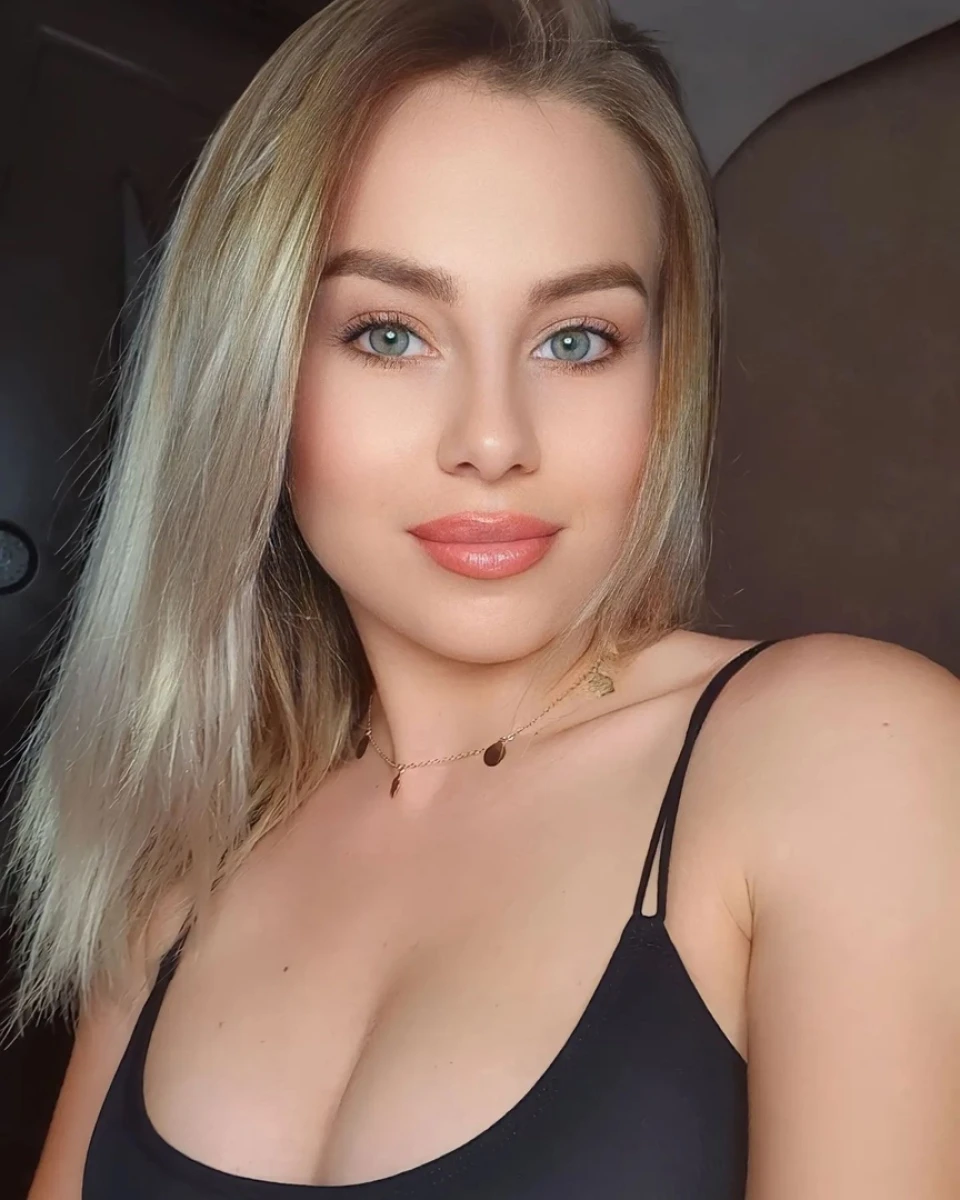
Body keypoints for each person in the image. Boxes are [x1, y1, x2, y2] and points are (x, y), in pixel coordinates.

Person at [7, 0, 959, 1196]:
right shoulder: (184, 866)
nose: (496, 440)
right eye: (390, 334)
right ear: (252, 371)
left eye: (577, 340)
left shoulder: (843, 755)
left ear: (668, 377)